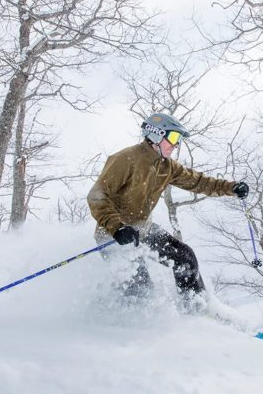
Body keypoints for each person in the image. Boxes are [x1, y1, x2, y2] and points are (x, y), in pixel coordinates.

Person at [87, 113, 249, 307]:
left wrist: (230, 188)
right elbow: (97, 195)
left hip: (142, 230)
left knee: (185, 257)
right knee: (140, 289)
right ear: (156, 135)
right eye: (173, 138)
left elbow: (198, 181)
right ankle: (118, 320)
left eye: (178, 140)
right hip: (115, 236)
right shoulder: (125, 159)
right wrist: (117, 227)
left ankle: (195, 308)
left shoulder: (167, 166)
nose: (176, 144)